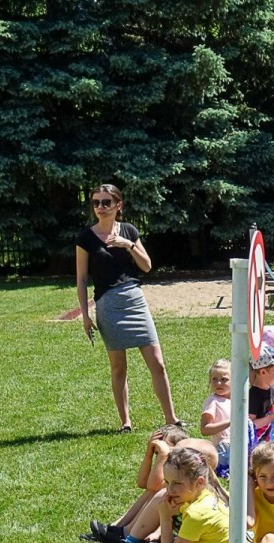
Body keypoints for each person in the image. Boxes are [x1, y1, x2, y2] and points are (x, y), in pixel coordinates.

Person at [75, 183, 180, 432]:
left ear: (118, 205)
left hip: (134, 300)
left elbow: (146, 266)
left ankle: (171, 419)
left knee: (157, 363)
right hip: (107, 305)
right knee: (118, 367)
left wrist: (127, 244)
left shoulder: (129, 231)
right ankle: (125, 422)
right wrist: (85, 316)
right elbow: (80, 278)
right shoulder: (85, 238)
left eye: (106, 202)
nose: (100, 207)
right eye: (96, 203)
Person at [86, 423, 189, 543]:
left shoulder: (179, 468)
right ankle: (117, 527)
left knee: (159, 489)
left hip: (176, 518)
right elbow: (142, 483)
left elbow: (153, 486)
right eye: (157, 452)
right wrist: (148, 454)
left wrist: (163, 455)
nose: (160, 453)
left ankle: (126, 532)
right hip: (168, 516)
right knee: (151, 491)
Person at [199, 359, 232, 475]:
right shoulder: (213, 402)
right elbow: (205, 429)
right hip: (223, 448)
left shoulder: (237, 400)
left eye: (224, 380)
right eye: (214, 379)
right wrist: (231, 422)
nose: (218, 383)